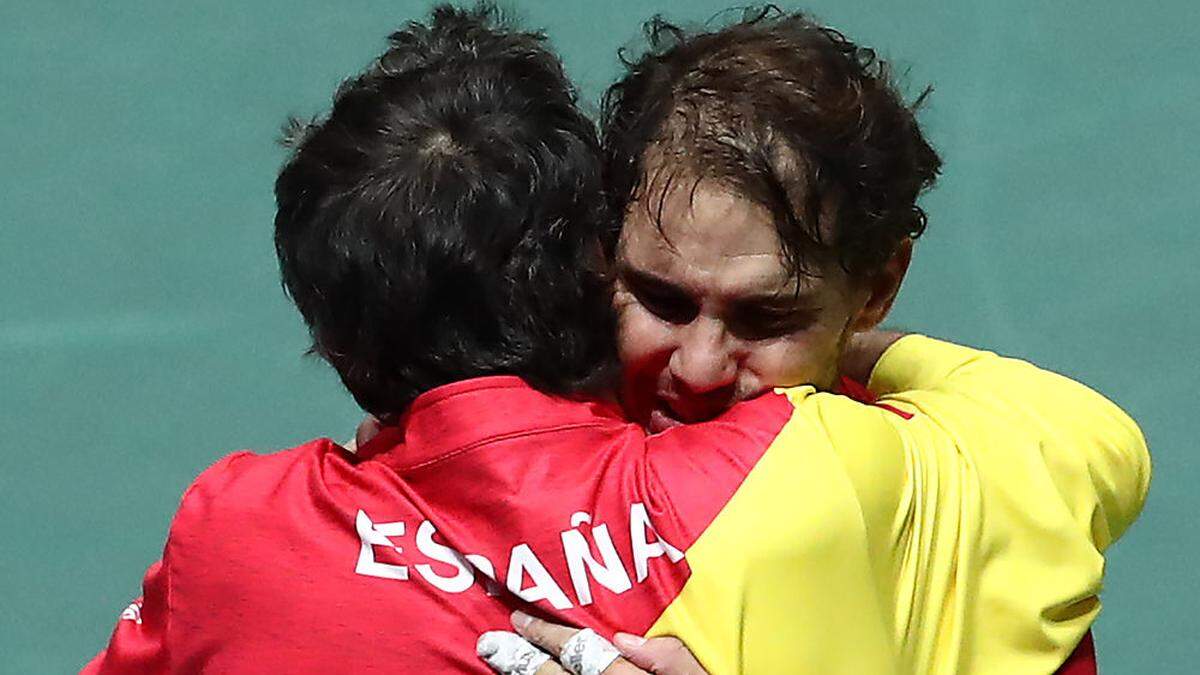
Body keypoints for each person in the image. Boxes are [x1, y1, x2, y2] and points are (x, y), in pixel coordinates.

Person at [83, 5, 1148, 675]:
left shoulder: (942, 504)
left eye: (766, 319)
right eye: (661, 298)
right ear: (598, 250)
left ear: (877, 288)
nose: (696, 368)